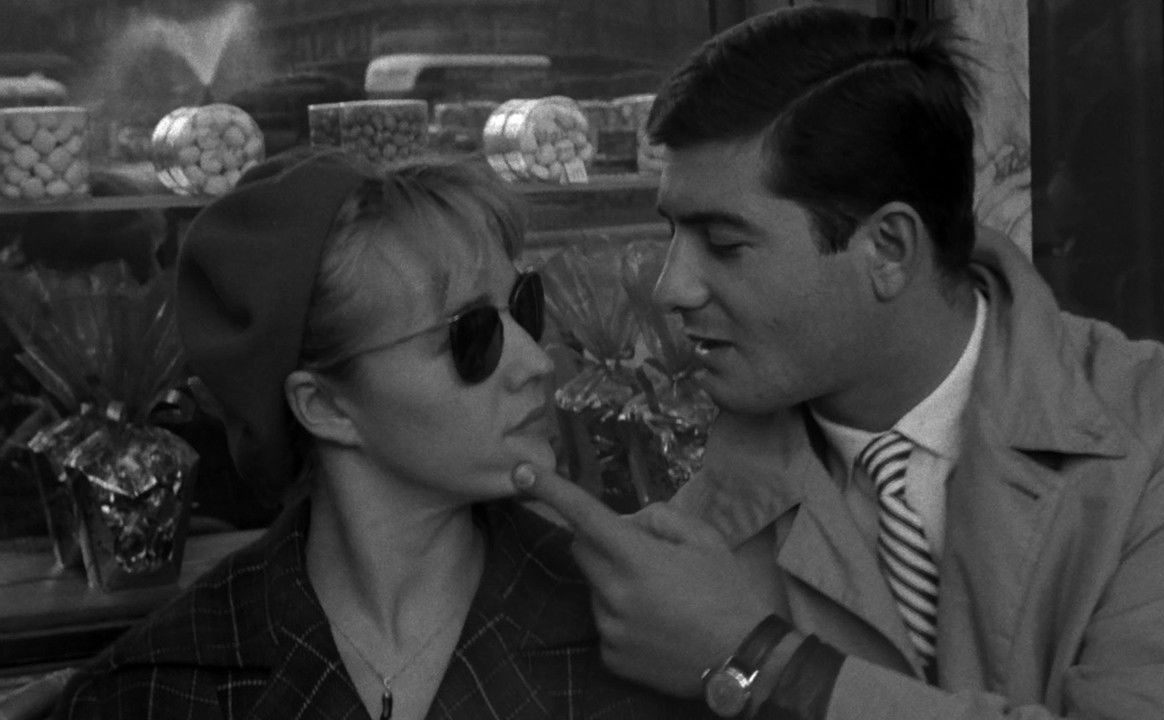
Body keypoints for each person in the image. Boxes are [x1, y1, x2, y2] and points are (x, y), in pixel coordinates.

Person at [509, 6, 1164, 720]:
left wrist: (758, 662)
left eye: (725, 243)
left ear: (887, 248)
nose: (671, 287)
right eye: (673, 233)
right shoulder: (692, 531)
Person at [51, 149, 712, 720]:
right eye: (472, 336)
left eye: (525, 309)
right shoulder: (157, 690)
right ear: (325, 407)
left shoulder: (635, 636)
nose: (536, 364)